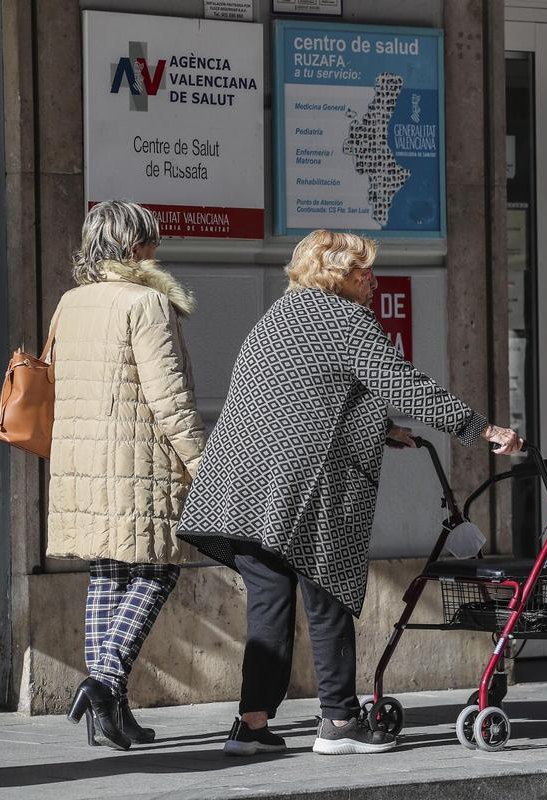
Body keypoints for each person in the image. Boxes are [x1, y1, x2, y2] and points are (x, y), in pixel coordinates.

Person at [178, 229, 522, 756]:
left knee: (268, 605)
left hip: (240, 484)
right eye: (364, 272)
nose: (372, 281)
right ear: (340, 275)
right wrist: (482, 429)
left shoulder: (280, 316)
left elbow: (304, 395)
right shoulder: (346, 320)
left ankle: (250, 727)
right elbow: (404, 386)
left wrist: (380, 429)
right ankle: (338, 722)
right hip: (301, 492)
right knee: (328, 593)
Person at [48, 201, 206, 751]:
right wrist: (200, 461)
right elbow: (169, 396)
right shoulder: (147, 303)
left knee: (108, 576)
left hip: (84, 462)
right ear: (136, 247)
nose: (156, 250)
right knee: (159, 570)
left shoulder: (71, 302)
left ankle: (108, 715)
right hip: (139, 462)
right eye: (151, 241)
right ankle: (104, 682)